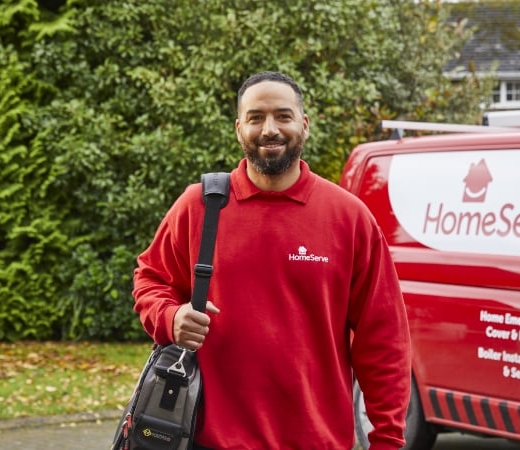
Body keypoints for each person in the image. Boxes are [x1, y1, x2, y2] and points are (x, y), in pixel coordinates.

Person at [133, 71, 411, 449]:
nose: (270, 129)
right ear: (238, 129)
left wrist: (388, 440)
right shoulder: (200, 206)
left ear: (304, 125)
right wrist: (169, 317)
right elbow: (151, 280)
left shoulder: (349, 218)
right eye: (256, 117)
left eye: (283, 115)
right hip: (210, 441)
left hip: (317, 442)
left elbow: (385, 341)